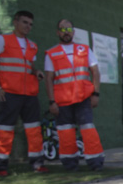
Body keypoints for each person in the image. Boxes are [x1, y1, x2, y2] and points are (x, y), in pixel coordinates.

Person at [0, 10, 46, 176]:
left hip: (30, 94)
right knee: (4, 129)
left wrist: (36, 72)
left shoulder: (32, 45)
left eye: (30, 24)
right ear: (15, 22)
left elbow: (30, 67)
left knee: (34, 130)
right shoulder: (2, 40)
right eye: (25, 22)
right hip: (10, 93)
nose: (28, 26)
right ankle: (0, 166)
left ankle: (37, 163)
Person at [44, 19, 104, 171]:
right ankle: (70, 164)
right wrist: (52, 102)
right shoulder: (51, 53)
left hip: (84, 98)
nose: (66, 32)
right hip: (62, 101)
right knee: (65, 133)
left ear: (73, 31)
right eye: (62, 29)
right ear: (58, 32)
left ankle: (95, 162)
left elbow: (95, 72)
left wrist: (96, 93)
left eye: (69, 29)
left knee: (88, 130)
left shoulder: (84, 49)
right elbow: (49, 79)